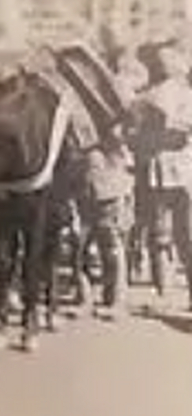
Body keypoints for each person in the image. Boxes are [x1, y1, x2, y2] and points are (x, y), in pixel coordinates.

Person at [129, 39, 192, 309]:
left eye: (168, 61)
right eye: (160, 62)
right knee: (157, 231)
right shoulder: (147, 95)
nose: (164, 66)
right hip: (156, 169)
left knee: (184, 233)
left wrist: (159, 129)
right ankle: (161, 290)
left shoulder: (184, 94)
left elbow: (180, 130)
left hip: (182, 169)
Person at [81, 119, 133, 321]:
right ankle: (95, 296)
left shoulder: (113, 109)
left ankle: (118, 301)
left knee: (112, 245)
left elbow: (121, 139)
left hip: (111, 186)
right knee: (88, 245)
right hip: (88, 184)